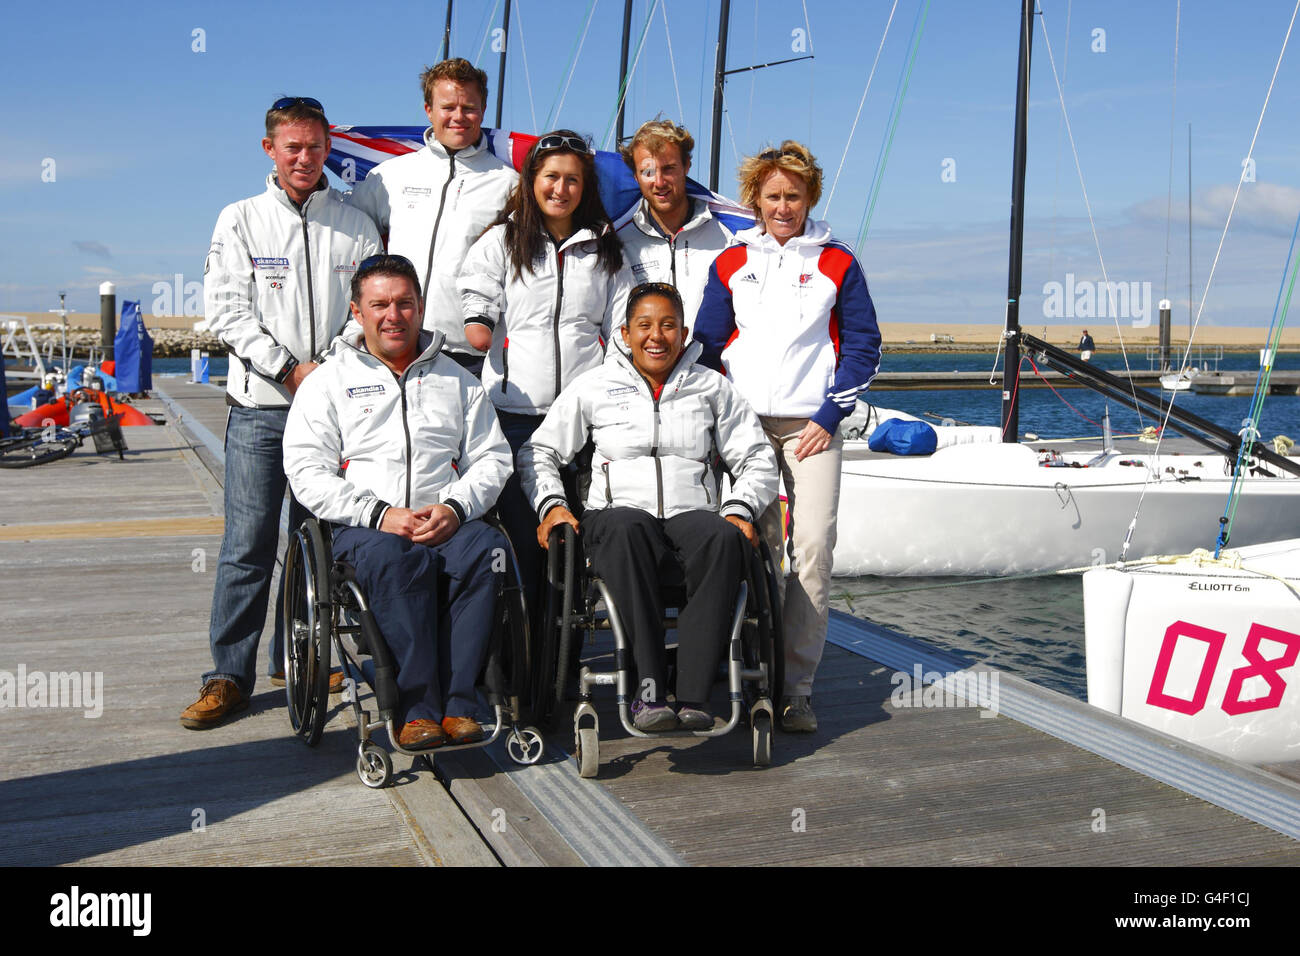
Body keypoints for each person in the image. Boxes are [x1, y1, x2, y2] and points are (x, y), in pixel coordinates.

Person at [182, 96, 381, 730]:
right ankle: (227, 676)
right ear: (270, 149)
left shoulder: (356, 226)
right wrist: (289, 369)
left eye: (314, 146)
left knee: (312, 538)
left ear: (329, 148)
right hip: (262, 410)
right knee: (247, 543)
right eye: (291, 146)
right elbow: (228, 311)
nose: (304, 157)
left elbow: (366, 312)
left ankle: (298, 655)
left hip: (330, 415)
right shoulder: (239, 220)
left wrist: (324, 368)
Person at [521, 283, 778, 730]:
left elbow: (757, 457)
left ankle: (696, 697)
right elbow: (537, 451)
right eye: (644, 325)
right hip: (617, 516)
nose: (655, 336)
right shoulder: (595, 385)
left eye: (667, 325)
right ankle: (648, 691)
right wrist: (552, 505)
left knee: (723, 537)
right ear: (624, 332)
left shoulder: (711, 387)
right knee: (628, 527)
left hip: (691, 514)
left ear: (683, 333)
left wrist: (740, 507)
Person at [282, 254, 513, 748]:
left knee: (488, 550)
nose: (394, 315)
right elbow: (306, 471)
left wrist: (454, 508)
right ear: (357, 311)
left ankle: (459, 705)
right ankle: (416, 709)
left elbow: (493, 459)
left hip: (443, 519)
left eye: (405, 303)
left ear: (421, 307)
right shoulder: (328, 382)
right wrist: (378, 514)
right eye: (380, 304)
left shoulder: (459, 380)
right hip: (365, 527)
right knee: (396, 557)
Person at [694, 141, 882, 734]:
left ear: (810, 199)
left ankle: (796, 688)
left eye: (794, 197)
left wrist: (830, 415)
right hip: (744, 428)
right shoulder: (729, 264)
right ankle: (756, 675)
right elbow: (705, 344)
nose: (784, 207)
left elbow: (863, 346)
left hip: (813, 428)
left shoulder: (838, 262)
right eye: (773, 196)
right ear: (755, 200)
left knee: (813, 553)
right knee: (754, 553)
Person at [458, 129, 630, 611]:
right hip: (514, 414)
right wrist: (479, 320)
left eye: (573, 180)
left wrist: (612, 388)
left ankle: (568, 658)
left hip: (583, 418)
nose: (561, 188)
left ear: (585, 186)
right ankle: (523, 663)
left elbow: (621, 324)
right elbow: (477, 289)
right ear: (531, 179)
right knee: (525, 538)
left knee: (578, 536)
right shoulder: (503, 239)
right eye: (551, 176)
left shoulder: (604, 247)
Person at [346, 58, 517, 372]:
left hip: (470, 356)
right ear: (429, 110)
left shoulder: (508, 184)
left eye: (469, 108)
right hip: (396, 348)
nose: (458, 117)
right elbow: (341, 231)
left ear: (483, 110)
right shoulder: (392, 175)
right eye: (447, 107)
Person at [615, 119, 733, 330]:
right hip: (644, 360)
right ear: (635, 176)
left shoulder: (726, 237)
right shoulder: (619, 243)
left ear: (687, 166)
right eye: (648, 172)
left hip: (707, 362)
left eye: (668, 169)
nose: (659, 182)